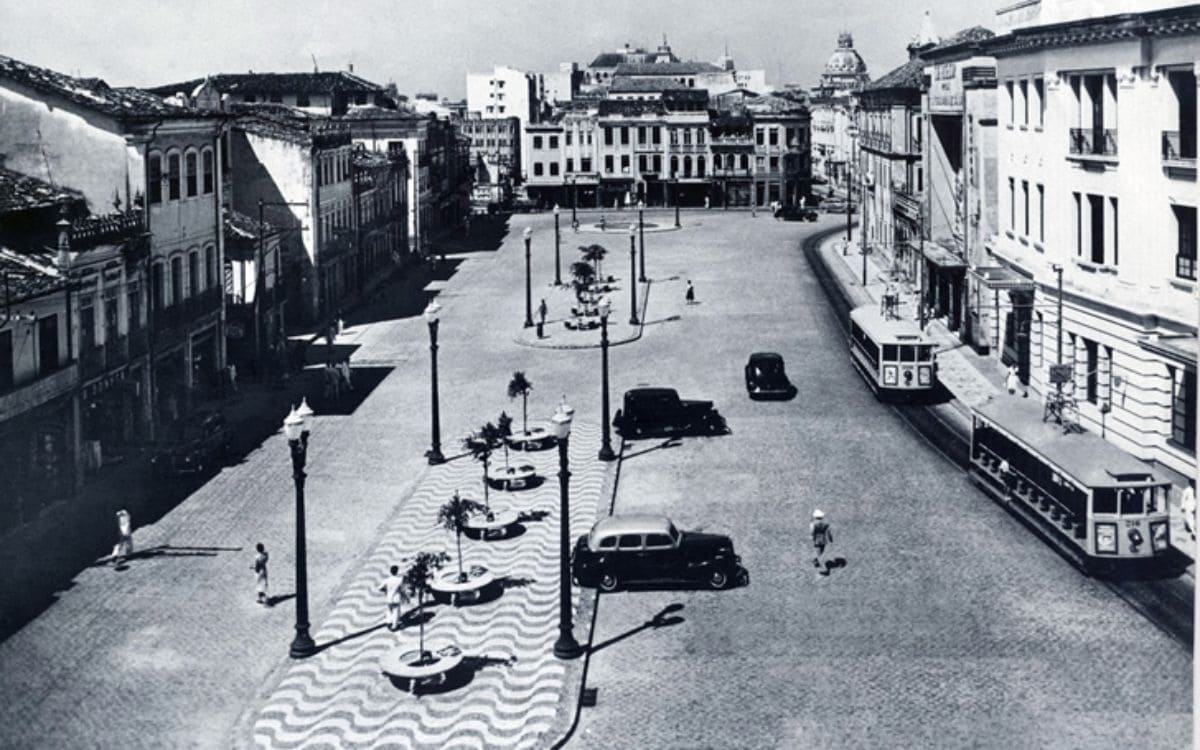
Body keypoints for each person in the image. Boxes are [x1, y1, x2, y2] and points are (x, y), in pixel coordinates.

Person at [380, 564, 405, 631]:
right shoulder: (400, 580)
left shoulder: (387, 580)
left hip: (389, 598)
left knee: (389, 611)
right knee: (396, 611)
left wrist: (386, 590)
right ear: (397, 571)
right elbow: (402, 589)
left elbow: (380, 588)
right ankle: (394, 626)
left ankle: (388, 622)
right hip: (396, 598)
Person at [810, 509, 832, 573]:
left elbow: (812, 532)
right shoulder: (826, 524)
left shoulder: (813, 524)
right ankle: (815, 560)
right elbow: (829, 532)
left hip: (817, 539)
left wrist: (812, 537)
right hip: (824, 539)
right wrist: (830, 539)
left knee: (819, 553)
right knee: (821, 551)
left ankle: (824, 569)